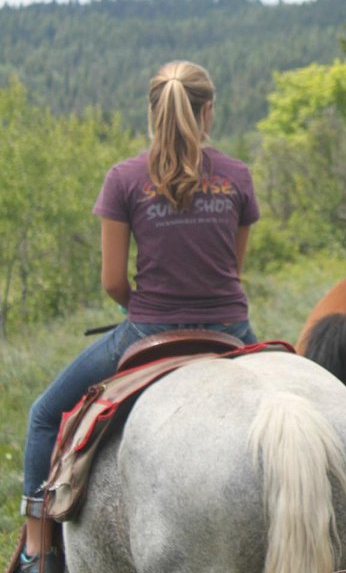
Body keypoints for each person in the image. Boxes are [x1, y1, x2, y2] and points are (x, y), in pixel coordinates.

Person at [15, 61, 260, 573]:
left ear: (153, 111)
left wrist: (146, 312)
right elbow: (231, 269)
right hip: (230, 330)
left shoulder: (124, 178)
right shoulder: (236, 175)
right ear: (208, 111)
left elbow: (111, 281)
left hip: (148, 327)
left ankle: (38, 546)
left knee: (43, 415)